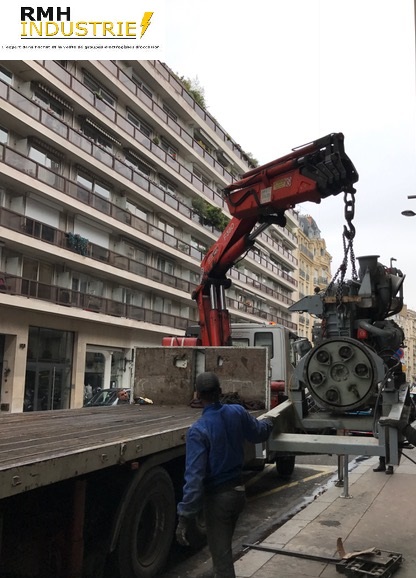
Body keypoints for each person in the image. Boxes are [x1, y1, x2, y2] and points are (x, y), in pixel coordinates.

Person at [176, 371, 274, 578]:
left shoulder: (198, 430)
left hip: (218, 500)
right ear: (220, 392)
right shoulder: (236, 412)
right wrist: (270, 422)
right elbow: (259, 433)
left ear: (197, 395)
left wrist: (185, 516)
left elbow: (194, 478)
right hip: (238, 495)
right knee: (224, 551)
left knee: (222, 561)